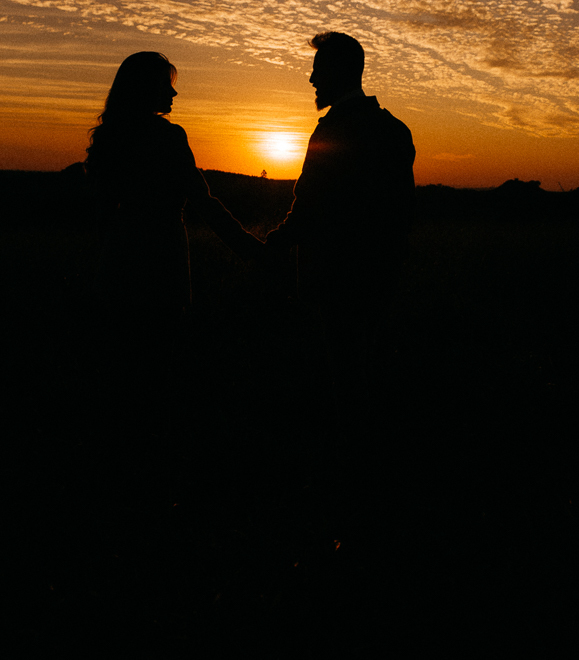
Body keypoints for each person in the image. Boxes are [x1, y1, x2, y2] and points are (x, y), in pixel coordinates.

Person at [84, 51, 262, 504]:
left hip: (118, 263)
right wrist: (249, 248)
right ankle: (152, 478)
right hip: (160, 262)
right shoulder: (167, 137)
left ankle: (118, 474)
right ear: (147, 88)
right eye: (166, 83)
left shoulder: (108, 138)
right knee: (157, 372)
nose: (174, 92)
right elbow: (201, 201)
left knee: (122, 374)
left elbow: (101, 216)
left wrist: (101, 267)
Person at [264, 32, 416, 506]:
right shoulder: (394, 129)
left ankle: (351, 485)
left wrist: (271, 244)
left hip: (335, 280)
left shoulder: (332, 131)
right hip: (380, 278)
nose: (310, 78)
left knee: (343, 380)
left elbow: (307, 208)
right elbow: (401, 213)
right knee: (367, 371)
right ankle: (372, 473)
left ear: (341, 72)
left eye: (318, 69)